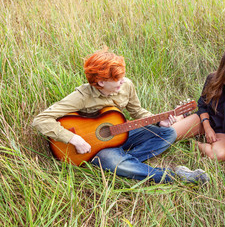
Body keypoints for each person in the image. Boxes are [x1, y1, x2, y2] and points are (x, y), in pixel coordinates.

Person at [32, 47, 209, 184]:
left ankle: (124, 162)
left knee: (169, 133)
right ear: (101, 82)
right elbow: (40, 120)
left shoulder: (126, 85)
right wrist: (75, 139)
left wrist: (158, 120)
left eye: (122, 76)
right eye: (117, 79)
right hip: (94, 147)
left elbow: (138, 112)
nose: (123, 81)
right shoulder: (82, 96)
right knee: (111, 161)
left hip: (120, 134)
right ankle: (174, 176)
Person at [172, 44, 225, 161]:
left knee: (218, 155)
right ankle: (184, 123)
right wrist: (207, 128)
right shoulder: (212, 78)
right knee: (170, 134)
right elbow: (202, 105)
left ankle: (191, 142)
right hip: (204, 121)